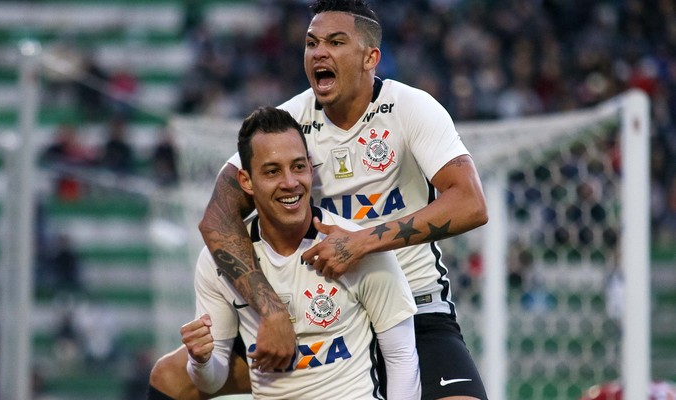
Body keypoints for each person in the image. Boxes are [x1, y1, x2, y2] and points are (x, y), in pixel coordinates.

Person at [148, 1, 489, 399]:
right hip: (320, 318)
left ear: (370, 57)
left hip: (415, 311)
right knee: (170, 379)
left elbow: (470, 202)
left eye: (335, 41)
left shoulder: (411, 109)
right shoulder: (288, 124)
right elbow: (217, 218)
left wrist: (362, 241)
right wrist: (271, 309)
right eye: (311, 43)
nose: (319, 52)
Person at [180, 106, 420, 399]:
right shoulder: (219, 261)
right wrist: (201, 360)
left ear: (310, 167)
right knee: (166, 375)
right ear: (246, 181)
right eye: (272, 171)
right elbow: (211, 382)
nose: (290, 183)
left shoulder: (355, 245)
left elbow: (402, 357)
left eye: (298, 167)